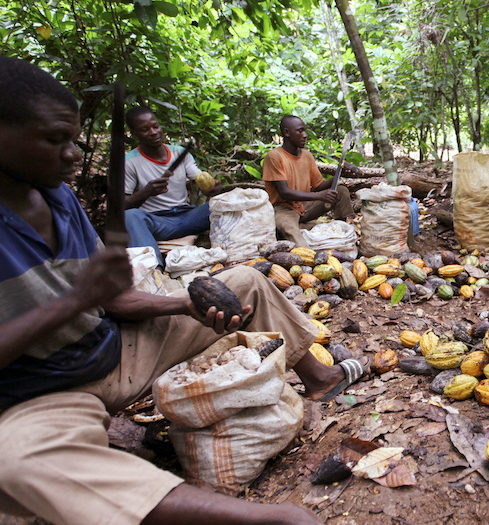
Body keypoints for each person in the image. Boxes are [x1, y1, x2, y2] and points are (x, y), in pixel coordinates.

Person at [0, 57, 367, 525]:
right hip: (45, 391)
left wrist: (185, 305)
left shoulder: (60, 198)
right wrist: (75, 299)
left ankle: (320, 379)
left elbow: (115, 302)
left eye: (73, 139)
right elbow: (86, 297)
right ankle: (261, 518)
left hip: (116, 349)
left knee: (244, 279)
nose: (72, 153)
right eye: (55, 140)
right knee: (17, 461)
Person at [124, 106, 218, 267]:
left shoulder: (179, 153)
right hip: (158, 222)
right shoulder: (130, 162)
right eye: (145, 130)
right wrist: (147, 192)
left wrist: (211, 189)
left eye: (155, 126)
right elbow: (121, 205)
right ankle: (153, 270)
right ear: (134, 134)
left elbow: (200, 179)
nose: (153, 132)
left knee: (223, 203)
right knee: (131, 216)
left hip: (187, 217)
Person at [263, 116, 356, 246]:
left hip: (304, 205)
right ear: (286, 133)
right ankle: (298, 233)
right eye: (300, 131)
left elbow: (318, 185)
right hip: (284, 209)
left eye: (305, 131)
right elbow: (284, 192)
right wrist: (319, 196)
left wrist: (338, 174)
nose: (305, 135)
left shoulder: (306, 155)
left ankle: (343, 230)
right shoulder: (274, 157)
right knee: (295, 238)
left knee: (340, 191)